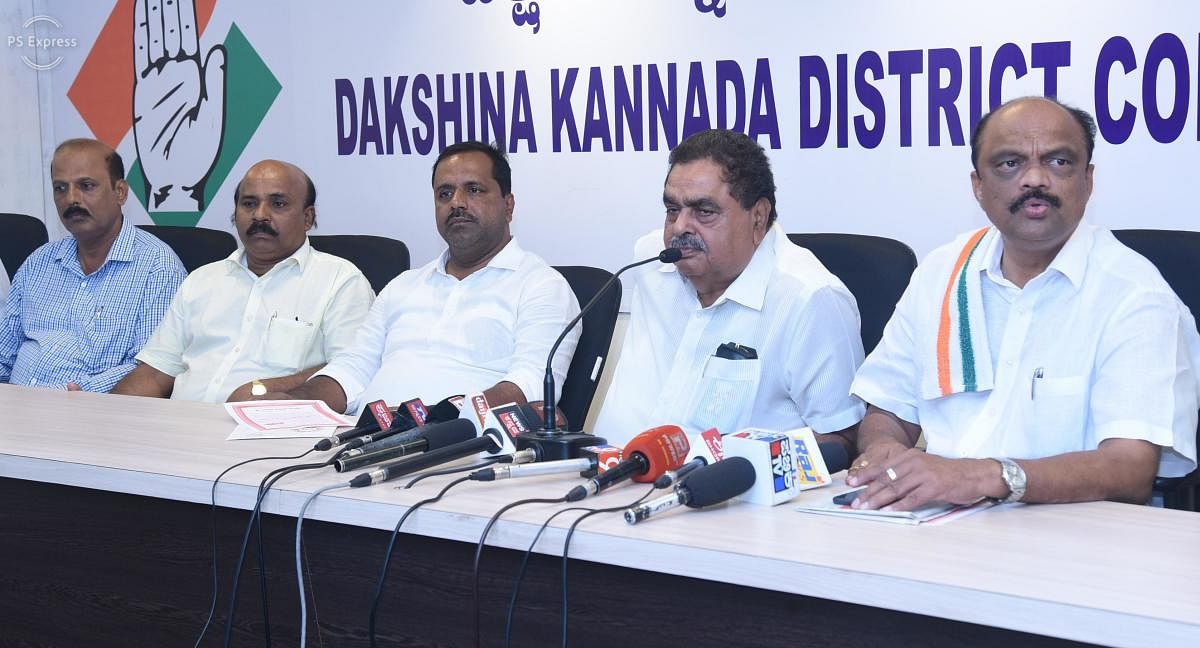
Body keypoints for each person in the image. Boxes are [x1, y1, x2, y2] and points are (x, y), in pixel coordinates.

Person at [847, 97, 1199, 510]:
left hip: (1074, 535)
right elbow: (887, 407)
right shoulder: (942, 272)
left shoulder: (1135, 295)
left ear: (1088, 180)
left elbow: (1130, 469)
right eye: (1010, 164)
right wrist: (885, 447)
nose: (1035, 179)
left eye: (1059, 162)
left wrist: (987, 476)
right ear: (978, 185)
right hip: (937, 522)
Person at [259, 141, 580, 414]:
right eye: (444, 194)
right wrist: (294, 402)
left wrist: (433, 418)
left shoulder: (541, 286)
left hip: (461, 452)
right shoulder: (403, 286)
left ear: (508, 205)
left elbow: (531, 384)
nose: (456, 203)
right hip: (363, 441)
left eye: (474, 190)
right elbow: (351, 369)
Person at [593, 129, 865, 451]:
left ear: (758, 218)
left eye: (704, 212)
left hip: (723, 495)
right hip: (604, 473)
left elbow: (842, 440)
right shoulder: (650, 262)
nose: (680, 227)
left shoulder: (809, 299)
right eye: (672, 210)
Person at [111, 161, 374, 402]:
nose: (260, 215)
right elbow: (156, 372)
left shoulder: (340, 282)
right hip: (181, 429)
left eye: (278, 204)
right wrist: (105, 413)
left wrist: (271, 389)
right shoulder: (203, 280)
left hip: (271, 436)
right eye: (249, 203)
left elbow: (352, 369)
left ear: (308, 218)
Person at [0, 139, 185, 392]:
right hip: (15, 409)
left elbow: (152, 368)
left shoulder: (158, 268)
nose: (71, 199)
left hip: (95, 414)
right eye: (60, 188)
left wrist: (84, 394)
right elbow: (4, 355)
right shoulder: (38, 262)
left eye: (86, 186)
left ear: (120, 192)